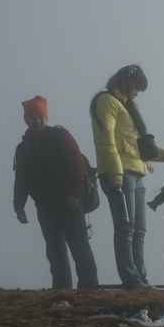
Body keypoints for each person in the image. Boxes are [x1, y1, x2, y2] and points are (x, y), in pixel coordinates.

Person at [90, 65, 164, 290]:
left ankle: (141, 278)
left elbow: (139, 147)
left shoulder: (126, 107)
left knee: (138, 230)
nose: (137, 93)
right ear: (125, 82)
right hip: (121, 175)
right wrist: (116, 172)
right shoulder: (107, 101)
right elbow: (106, 139)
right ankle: (131, 280)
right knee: (126, 227)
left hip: (136, 175)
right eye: (137, 87)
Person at [14, 96, 99, 289]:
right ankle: (61, 292)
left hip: (69, 201)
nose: (36, 120)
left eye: (39, 116)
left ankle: (89, 289)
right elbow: (21, 179)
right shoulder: (23, 148)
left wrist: (73, 192)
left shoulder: (61, 136)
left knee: (79, 248)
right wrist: (18, 206)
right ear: (26, 120)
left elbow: (78, 165)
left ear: (46, 116)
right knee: (55, 253)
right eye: (31, 117)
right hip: (44, 207)